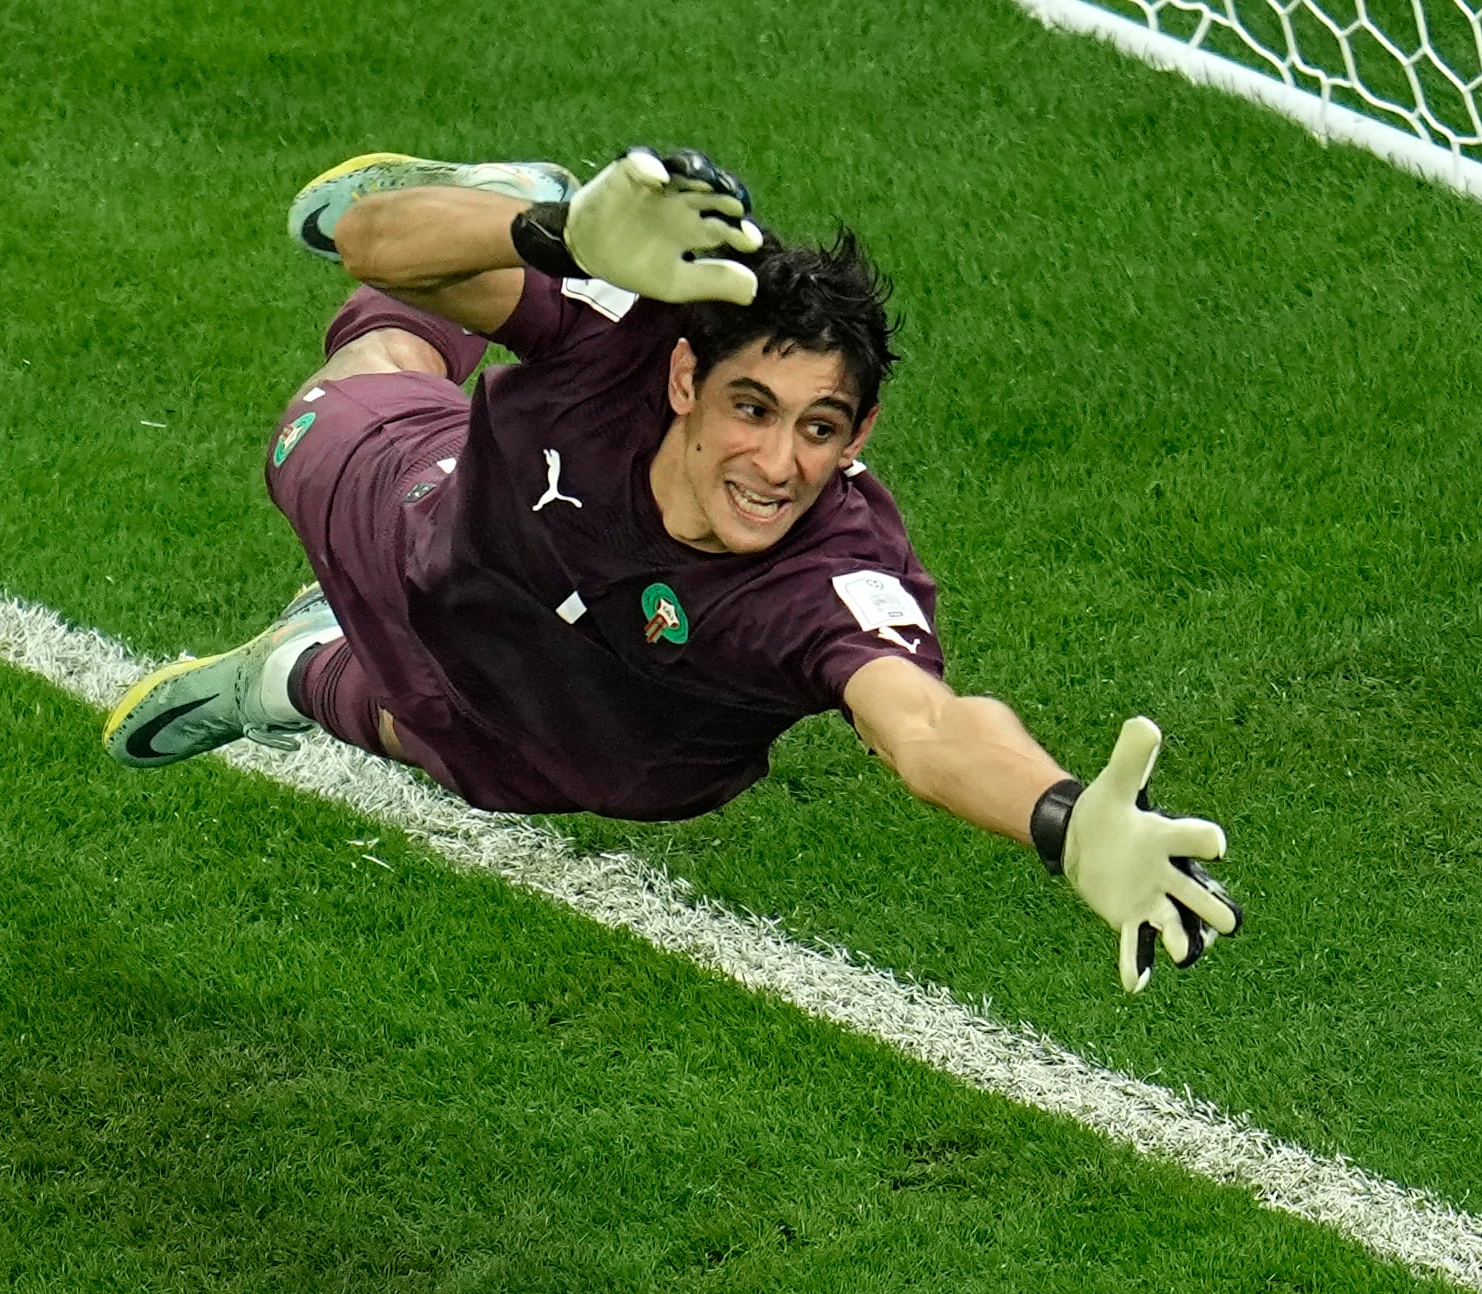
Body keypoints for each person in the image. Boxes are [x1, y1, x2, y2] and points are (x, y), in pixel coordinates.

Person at [102, 148, 1240, 992]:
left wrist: (1057, 817)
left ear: (859, 434)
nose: (776, 462)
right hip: (439, 534)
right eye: (753, 408)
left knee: (451, 744)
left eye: (818, 427)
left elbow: (930, 728)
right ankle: (493, 202)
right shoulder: (630, 332)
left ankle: (289, 671)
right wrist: (547, 236)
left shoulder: (832, 579)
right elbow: (363, 238)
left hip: (597, 744)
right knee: (341, 391)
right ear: (688, 381)